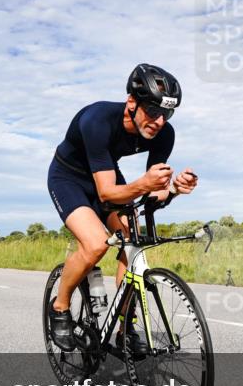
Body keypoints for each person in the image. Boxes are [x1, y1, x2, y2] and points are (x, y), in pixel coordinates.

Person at [47, 64, 198, 352]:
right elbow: (106, 192)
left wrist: (175, 189)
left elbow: (151, 196)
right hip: (69, 177)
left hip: (106, 175)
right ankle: (61, 306)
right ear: (132, 102)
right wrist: (145, 184)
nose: (159, 121)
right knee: (94, 245)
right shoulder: (98, 119)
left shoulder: (164, 135)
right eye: (153, 111)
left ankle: (124, 328)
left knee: (133, 243)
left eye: (166, 114)